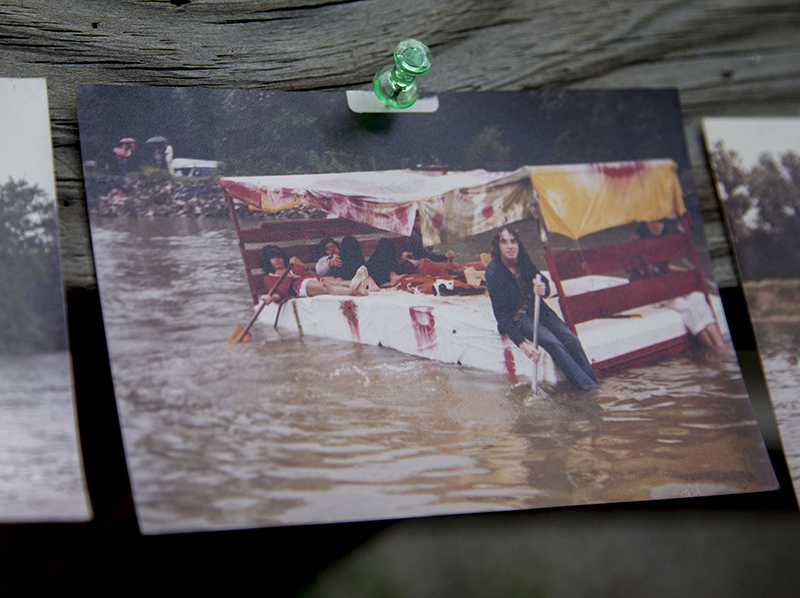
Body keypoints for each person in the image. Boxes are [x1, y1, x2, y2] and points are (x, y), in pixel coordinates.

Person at [485, 226, 599, 391]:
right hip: (517, 317)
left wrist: (543, 288)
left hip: (537, 308)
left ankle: (592, 381)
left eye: (513, 241)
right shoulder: (493, 272)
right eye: (504, 242)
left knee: (570, 338)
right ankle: (588, 388)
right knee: (553, 342)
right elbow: (501, 315)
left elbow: (543, 281)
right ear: (498, 247)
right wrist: (523, 344)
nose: (510, 246)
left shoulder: (523, 259)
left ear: (518, 244)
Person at [629, 219, 734, 355]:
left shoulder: (660, 242)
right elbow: (645, 275)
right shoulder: (637, 244)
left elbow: (666, 268)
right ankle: (712, 348)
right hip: (650, 290)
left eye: (661, 222)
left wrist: (689, 272)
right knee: (685, 307)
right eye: (654, 222)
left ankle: (720, 345)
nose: (659, 225)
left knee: (698, 298)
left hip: (667, 286)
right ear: (646, 224)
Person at [258, 245, 377, 305]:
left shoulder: (293, 268)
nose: (277, 260)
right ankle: (355, 292)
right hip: (297, 286)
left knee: (336, 281)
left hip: (311, 279)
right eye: (272, 258)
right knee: (326, 286)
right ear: (267, 261)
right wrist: (270, 299)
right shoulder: (270, 277)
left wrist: (302, 265)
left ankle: (362, 282)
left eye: (278, 257)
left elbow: (312, 274)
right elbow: (276, 294)